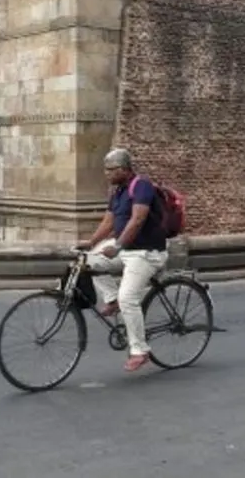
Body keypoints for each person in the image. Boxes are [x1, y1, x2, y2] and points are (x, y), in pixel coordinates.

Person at [78, 148, 169, 372]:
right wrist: (91, 243)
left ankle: (140, 350)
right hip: (127, 250)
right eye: (106, 170)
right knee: (89, 260)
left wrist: (118, 246)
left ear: (125, 169)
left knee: (128, 297)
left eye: (111, 170)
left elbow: (137, 220)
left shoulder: (142, 186)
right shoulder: (117, 192)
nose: (107, 174)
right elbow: (108, 223)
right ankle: (111, 299)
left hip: (146, 253)